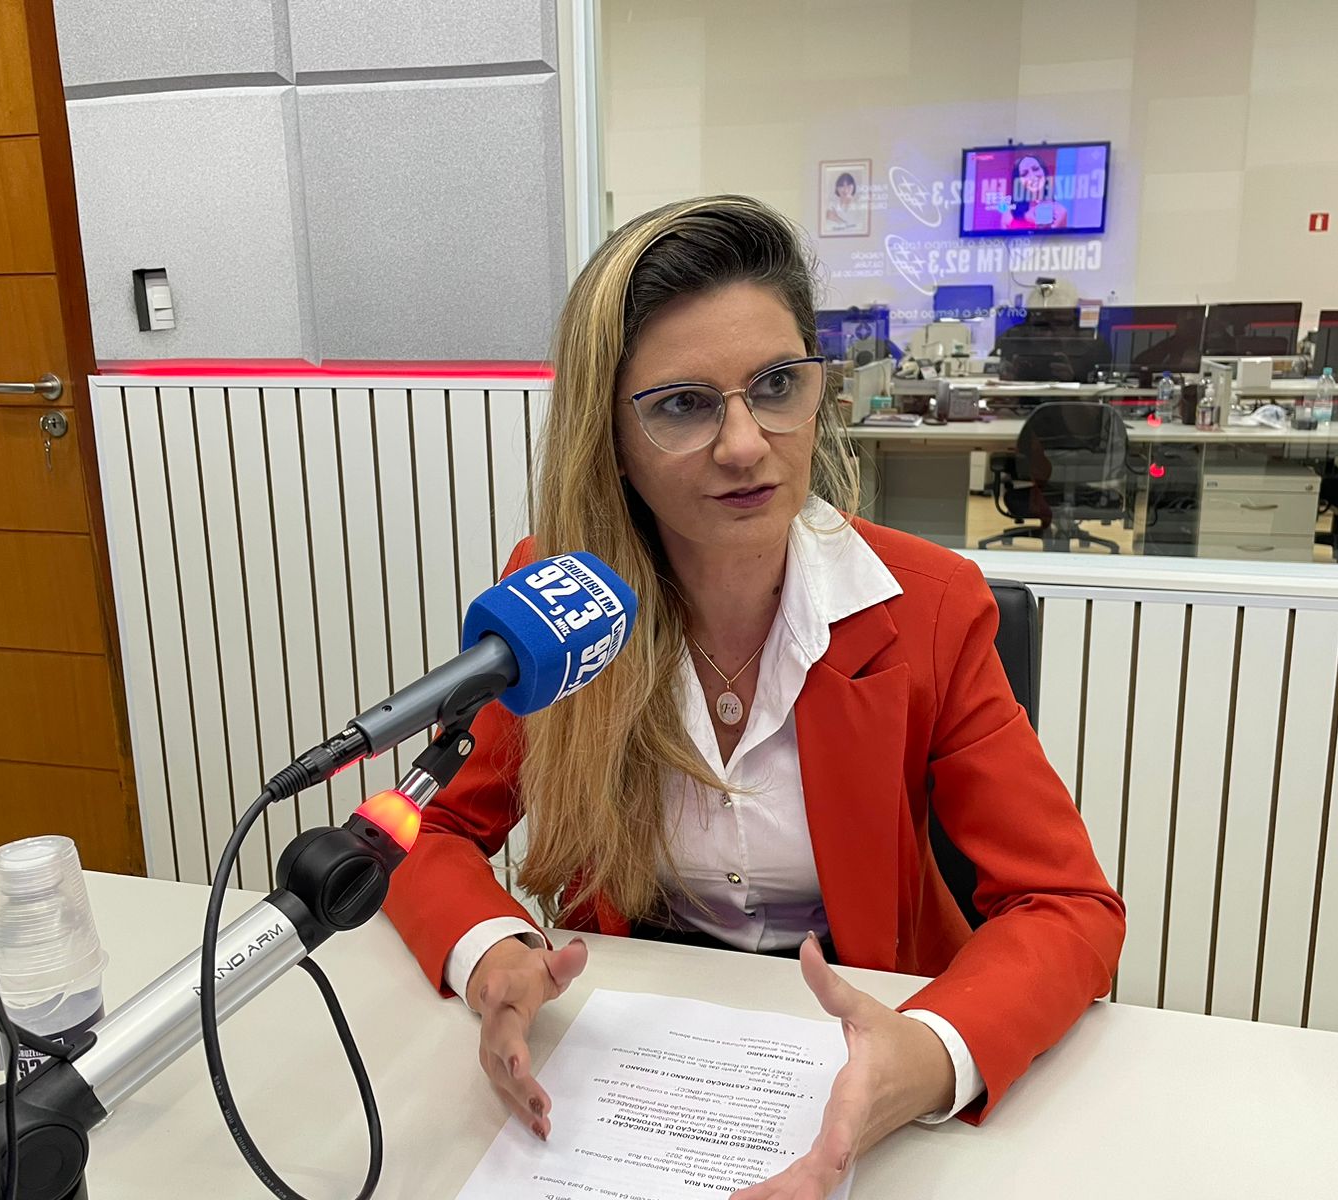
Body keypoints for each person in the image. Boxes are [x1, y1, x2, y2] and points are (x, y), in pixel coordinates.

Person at [384, 195, 1124, 1196]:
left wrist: (934, 1053)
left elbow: (1067, 905)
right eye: (682, 405)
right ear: (609, 435)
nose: (744, 444)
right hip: (627, 1049)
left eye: (776, 385)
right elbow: (421, 827)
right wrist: (491, 952)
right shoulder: (564, 600)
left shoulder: (929, 608)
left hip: (860, 1037)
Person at [999, 155, 1068, 231]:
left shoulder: (1059, 211)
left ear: (1044, 171)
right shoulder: (1009, 210)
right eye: (1024, 174)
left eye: (1036, 169)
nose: (1032, 176)